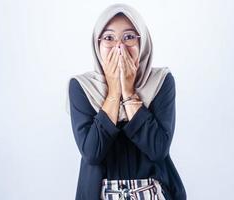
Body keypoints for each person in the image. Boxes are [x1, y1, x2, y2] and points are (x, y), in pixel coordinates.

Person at [65, 3, 186, 200]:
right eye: (109, 38)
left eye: (129, 37)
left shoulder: (160, 81)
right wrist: (113, 92)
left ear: (143, 42)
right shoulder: (82, 86)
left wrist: (129, 93)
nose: (119, 47)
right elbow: (92, 153)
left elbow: (158, 150)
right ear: (97, 45)